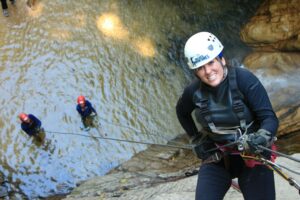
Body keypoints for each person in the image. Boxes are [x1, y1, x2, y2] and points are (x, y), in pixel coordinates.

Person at [176, 32, 279, 200]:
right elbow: (182, 113)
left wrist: (262, 136)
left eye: (211, 62)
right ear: (195, 72)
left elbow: (269, 118)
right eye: (201, 67)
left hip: (253, 153)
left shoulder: (244, 79)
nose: (208, 71)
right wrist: (196, 138)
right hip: (218, 156)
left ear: (221, 59)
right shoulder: (192, 92)